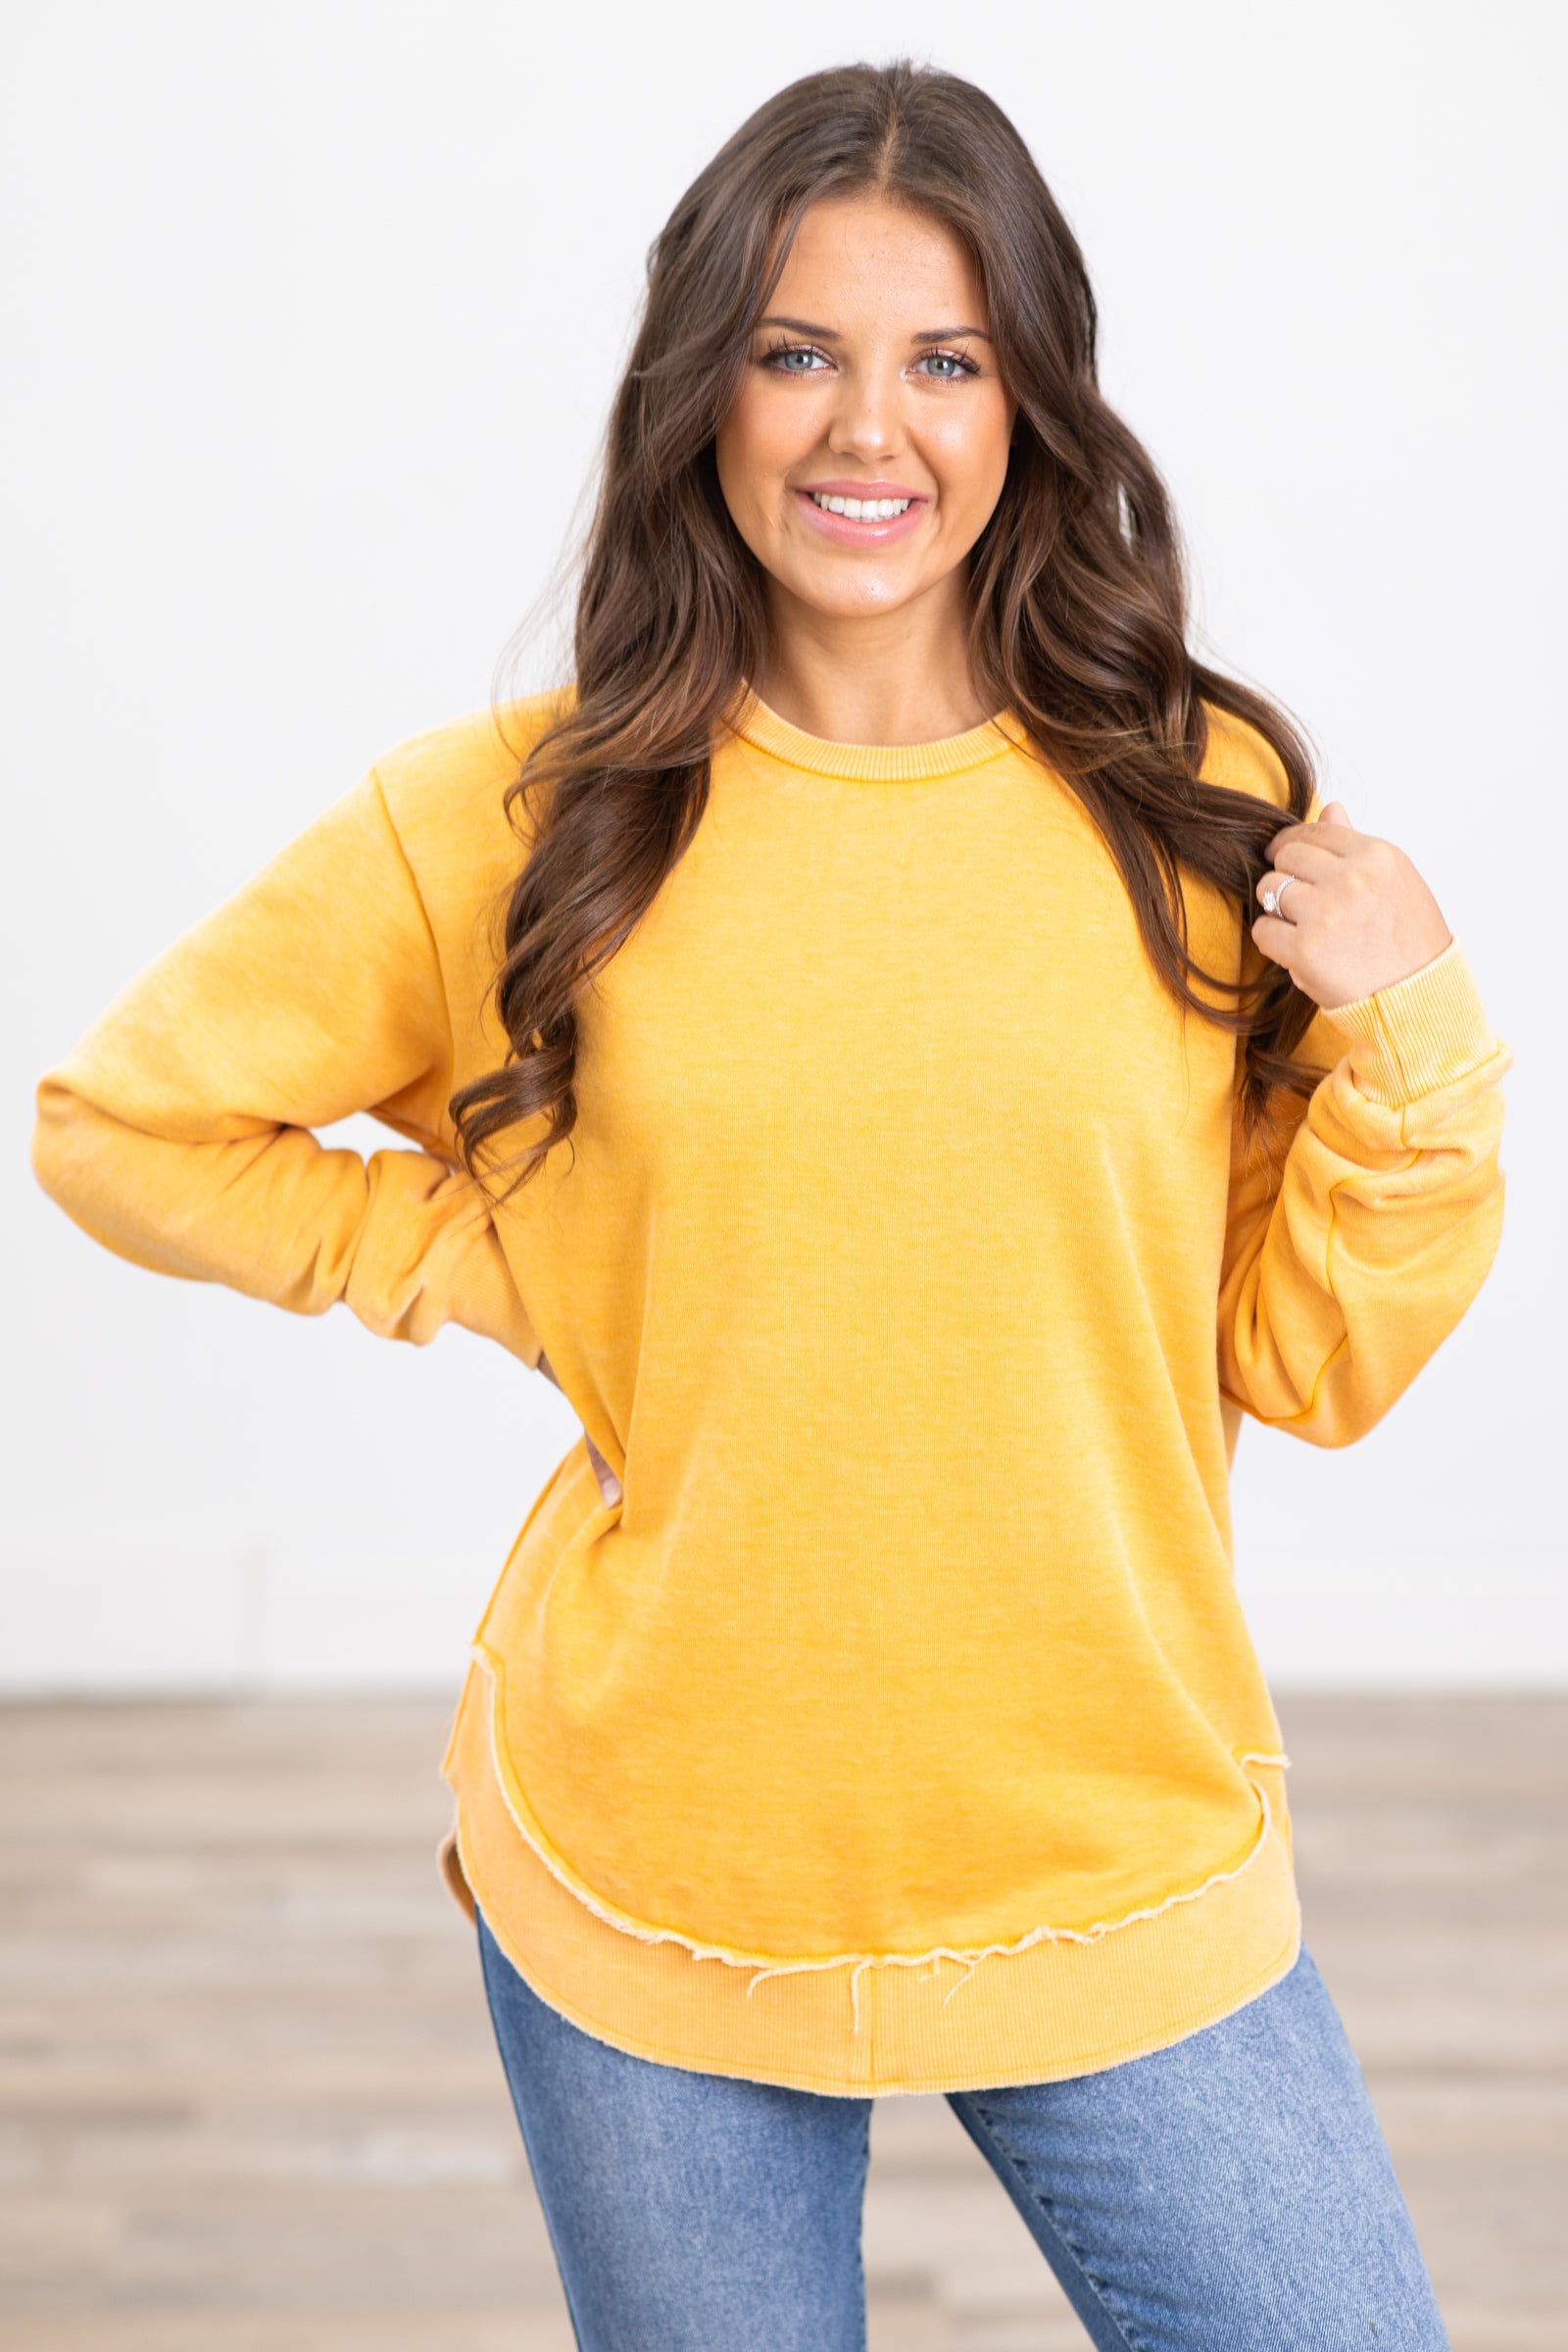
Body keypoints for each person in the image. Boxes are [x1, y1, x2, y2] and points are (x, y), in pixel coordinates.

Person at [32, 58, 1507, 2352]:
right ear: (701, 387)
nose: (866, 429)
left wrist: (1415, 1032)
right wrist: (482, 1259)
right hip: (659, 1861)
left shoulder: (1189, 802)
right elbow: (120, 1125)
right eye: (795, 350)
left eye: (945, 361)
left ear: (1029, 402)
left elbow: (1304, 1360)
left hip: (1108, 1844)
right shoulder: (514, 822)